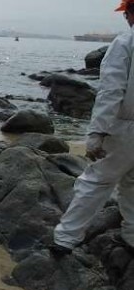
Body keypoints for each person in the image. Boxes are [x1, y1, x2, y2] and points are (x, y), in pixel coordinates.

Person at [51, 0, 134, 257]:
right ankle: (132, 236)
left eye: (126, 14)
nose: (125, 19)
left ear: (131, 12)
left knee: (95, 183)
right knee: (133, 184)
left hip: (123, 129)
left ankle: (65, 239)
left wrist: (96, 133)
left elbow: (111, 91)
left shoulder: (124, 44)